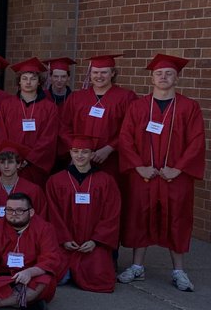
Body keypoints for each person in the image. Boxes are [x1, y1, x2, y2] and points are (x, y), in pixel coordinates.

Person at [117, 54, 205, 292]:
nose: (163, 77)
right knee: (139, 216)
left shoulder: (189, 107)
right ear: (152, 78)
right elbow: (125, 138)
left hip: (175, 177)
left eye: (168, 73)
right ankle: (137, 267)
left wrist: (178, 169)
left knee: (177, 218)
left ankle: (179, 271)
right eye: (159, 73)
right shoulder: (138, 106)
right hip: (143, 175)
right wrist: (138, 166)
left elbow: (196, 141)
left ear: (177, 78)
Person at [45, 135, 122, 293]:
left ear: (92, 154)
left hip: (93, 245)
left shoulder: (106, 181)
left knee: (100, 280)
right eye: (76, 151)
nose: (80, 155)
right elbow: (52, 214)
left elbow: (111, 215)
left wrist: (95, 241)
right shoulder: (56, 181)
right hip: (65, 245)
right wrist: (64, 239)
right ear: (70, 153)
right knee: (56, 276)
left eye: (85, 152)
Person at [59, 54, 137, 183]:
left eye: (104, 72)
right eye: (95, 72)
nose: (99, 76)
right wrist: (77, 150)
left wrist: (110, 148)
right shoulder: (76, 97)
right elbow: (64, 126)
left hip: (110, 159)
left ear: (112, 73)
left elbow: (130, 129)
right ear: (90, 74)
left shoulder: (126, 97)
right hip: (79, 159)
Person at [0, 57, 58, 185]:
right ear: (19, 81)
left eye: (33, 79)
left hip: (35, 166)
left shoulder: (49, 108)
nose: (28, 82)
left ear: (39, 82)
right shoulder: (5, 105)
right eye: (24, 78)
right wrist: (12, 157)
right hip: (9, 163)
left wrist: (29, 159)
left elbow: (48, 138)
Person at [0, 141, 43, 247]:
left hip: (26, 246)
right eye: (2, 162)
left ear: (19, 164)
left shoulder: (33, 190)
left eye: (11, 162)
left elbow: (38, 222)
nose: (6, 166)